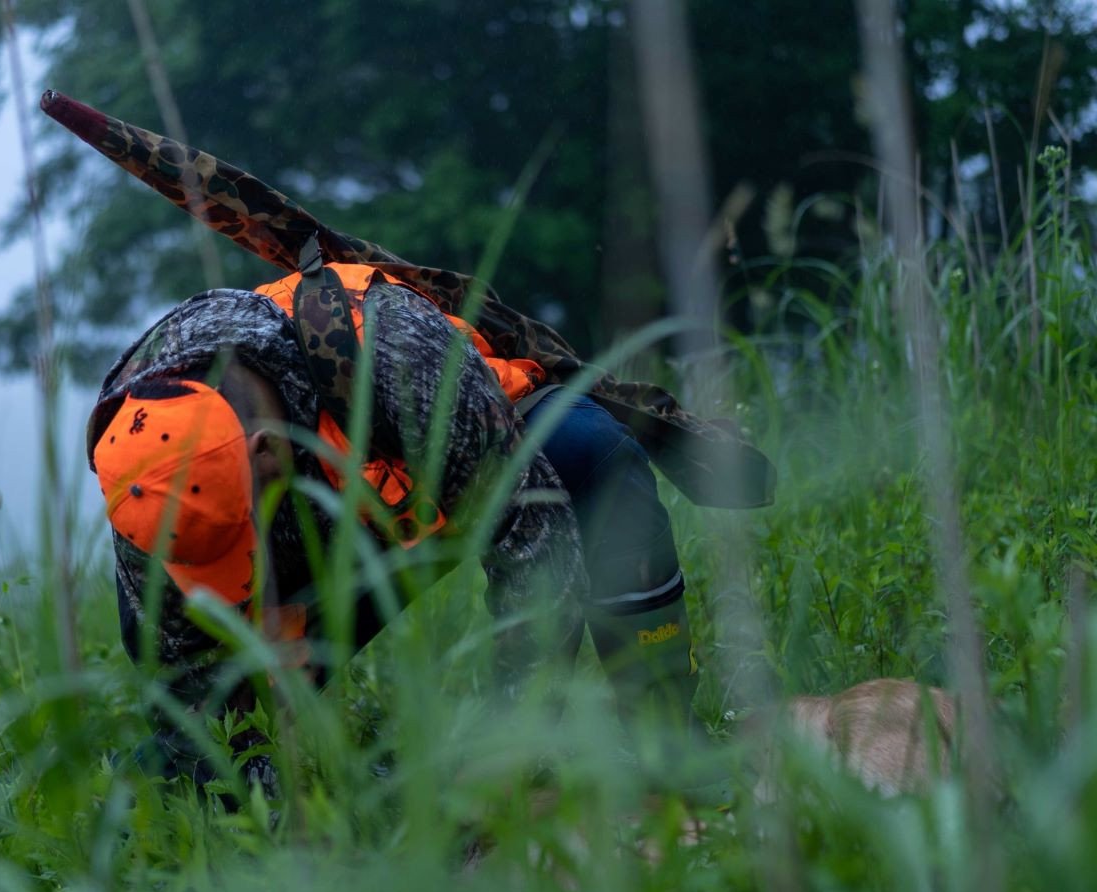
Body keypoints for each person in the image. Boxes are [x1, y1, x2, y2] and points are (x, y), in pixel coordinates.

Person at [43, 90, 775, 790]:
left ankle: (663, 740)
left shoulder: (389, 354)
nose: (250, 567)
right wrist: (275, 805)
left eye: (245, 536)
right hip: (343, 530)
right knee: (190, 758)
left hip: (457, 471)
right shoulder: (148, 478)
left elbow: (534, 546)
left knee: (594, 455)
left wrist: (511, 743)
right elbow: (186, 700)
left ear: (266, 448)